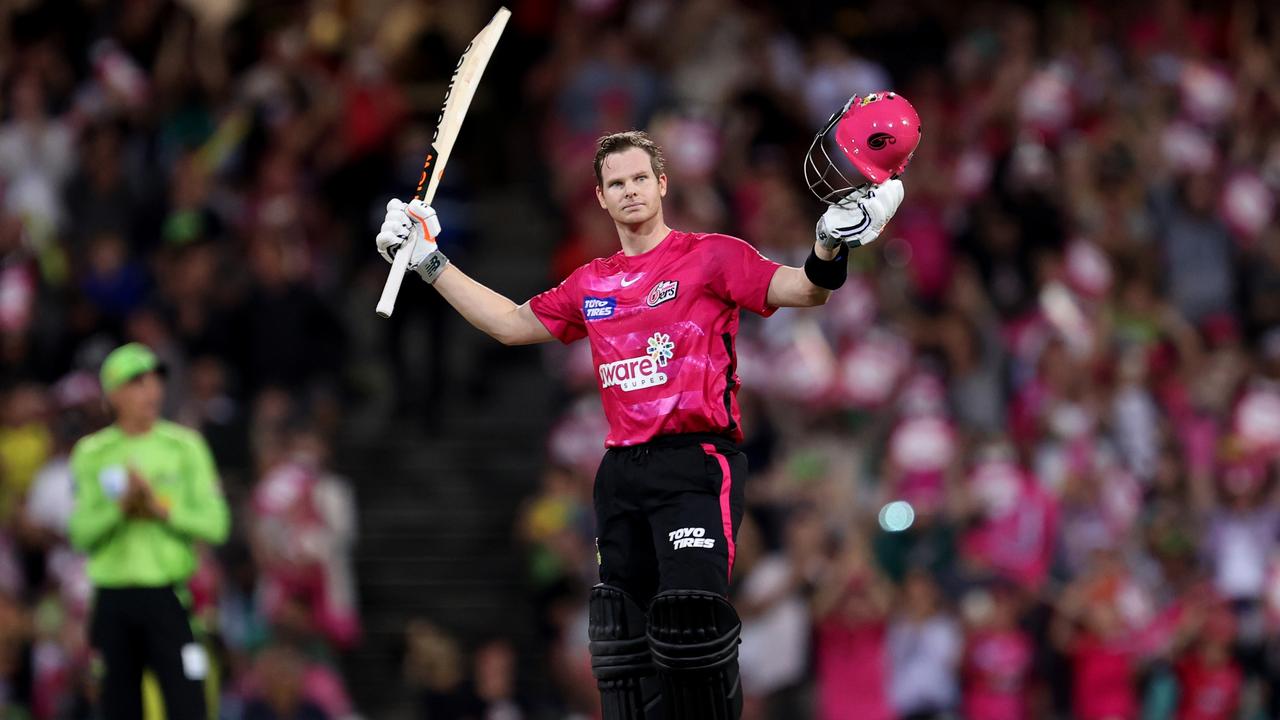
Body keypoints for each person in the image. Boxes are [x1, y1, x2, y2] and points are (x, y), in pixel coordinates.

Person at [374, 94, 917, 718]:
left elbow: (803, 291)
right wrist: (428, 261)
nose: (629, 191)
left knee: (692, 625)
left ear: (661, 184)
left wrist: (828, 248)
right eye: (615, 183)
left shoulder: (712, 255)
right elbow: (510, 325)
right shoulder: (591, 282)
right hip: (620, 473)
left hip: (695, 463)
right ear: (600, 197)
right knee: (621, 646)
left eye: (639, 178)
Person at [68, 342, 231, 719]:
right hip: (112, 601)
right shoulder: (92, 453)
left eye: (155, 379)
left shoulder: (184, 447)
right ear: (113, 393)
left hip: (170, 599)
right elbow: (78, 532)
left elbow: (216, 524)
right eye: (137, 381)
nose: (152, 390)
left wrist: (161, 510)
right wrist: (121, 509)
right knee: (116, 708)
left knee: (189, 706)